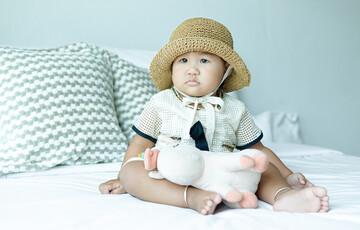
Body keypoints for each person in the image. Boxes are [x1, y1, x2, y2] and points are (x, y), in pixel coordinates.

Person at [99, 17, 329, 215]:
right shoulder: (161, 103)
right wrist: (122, 177)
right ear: (172, 67)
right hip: (172, 171)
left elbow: (260, 149)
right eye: (183, 60)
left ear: (226, 69)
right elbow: (140, 142)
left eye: (204, 60)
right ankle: (191, 197)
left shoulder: (235, 109)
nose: (192, 69)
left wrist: (287, 175)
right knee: (133, 171)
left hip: (221, 170)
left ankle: (283, 196)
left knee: (260, 163)